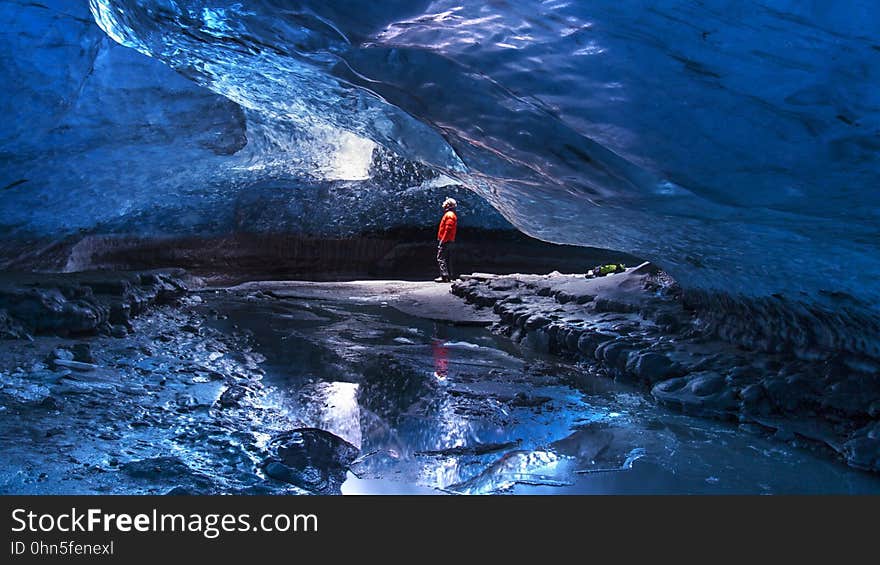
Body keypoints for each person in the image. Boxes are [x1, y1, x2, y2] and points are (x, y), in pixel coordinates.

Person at [435, 197, 457, 282]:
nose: (443, 205)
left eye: (445, 203)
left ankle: (444, 276)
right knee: (447, 257)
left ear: (448, 205)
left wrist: (442, 240)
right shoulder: (451, 214)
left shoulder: (449, 215)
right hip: (449, 239)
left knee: (441, 257)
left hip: (446, 240)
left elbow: (448, 229)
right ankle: (449, 276)